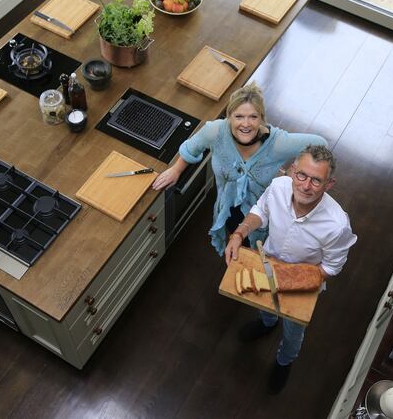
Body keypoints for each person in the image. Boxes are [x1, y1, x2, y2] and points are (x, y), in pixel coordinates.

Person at [223, 145, 357, 394]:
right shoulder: (278, 187)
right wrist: (239, 233)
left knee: (294, 331)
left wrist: (291, 280)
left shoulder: (337, 225)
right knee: (264, 304)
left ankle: (284, 361)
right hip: (269, 262)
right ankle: (267, 323)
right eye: (301, 175)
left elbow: (331, 266)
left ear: (329, 184)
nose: (305, 186)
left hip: (304, 282)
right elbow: (260, 212)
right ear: (293, 171)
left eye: (316, 180)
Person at [152, 82, 326, 255]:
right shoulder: (216, 131)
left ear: (261, 118)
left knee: (262, 253)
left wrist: (293, 173)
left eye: (253, 117)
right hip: (228, 208)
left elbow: (320, 144)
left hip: (266, 213)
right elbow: (192, 147)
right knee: (238, 246)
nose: (246, 124)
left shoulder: (277, 143)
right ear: (229, 117)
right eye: (239, 116)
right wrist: (176, 170)